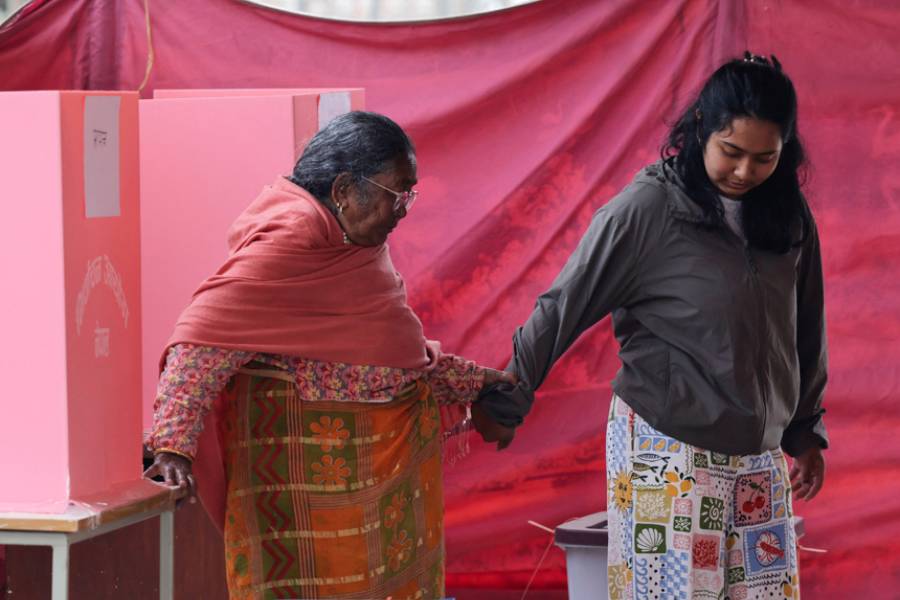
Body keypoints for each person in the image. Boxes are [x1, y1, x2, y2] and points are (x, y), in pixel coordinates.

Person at [479, 53, 827, 598]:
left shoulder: (786, 214)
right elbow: (562, 306)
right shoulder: (646, 209)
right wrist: (506, 401)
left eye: (765, 158)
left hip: (758, 455)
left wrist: (805, 430)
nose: (744, 172)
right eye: (731, 152)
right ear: (698, 132)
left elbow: (804, 326)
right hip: (668, 449)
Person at [143, 111, 515, 600]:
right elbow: (202, 342)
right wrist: (173, 445)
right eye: (396, 193)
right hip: (295, 495)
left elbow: (395, 355)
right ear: (344, 190)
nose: (404, 209)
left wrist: (480, 384)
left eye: (411, 194)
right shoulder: (292, 241)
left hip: (369, 495)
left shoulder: (356, 250)